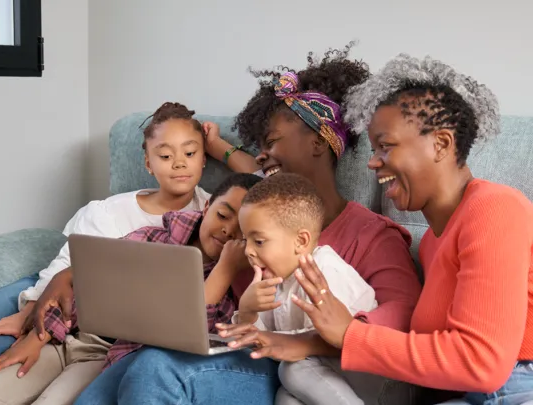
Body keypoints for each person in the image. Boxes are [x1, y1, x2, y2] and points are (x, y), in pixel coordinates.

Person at [76, 43, 422, 405]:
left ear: (319, 142)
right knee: (102, 390)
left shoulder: (369, 234)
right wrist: (69, 277)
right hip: (240, 345)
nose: (261, 154)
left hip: (306, 367)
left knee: (156, 368)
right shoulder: (246, 221)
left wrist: (310, 341)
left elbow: (402, 314)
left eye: (271, 142)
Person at [233, 54, 533, 404]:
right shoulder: (434, 241)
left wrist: (350, 333)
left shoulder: (495, 208)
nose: (373, 162)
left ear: (441, 144)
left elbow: (482, 363)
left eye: (386, 146)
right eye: (373, 149)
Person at [0, 173, 262, 405]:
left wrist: (226, 269)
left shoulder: (236, 283)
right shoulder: (154, 237)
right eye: (223, 215)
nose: (228, 231)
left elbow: (185, 333)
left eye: (242, 229)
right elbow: (86, 281)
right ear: (206, 207)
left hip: (104, 356)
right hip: (66, 334)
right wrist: (36, 338)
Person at [0, 102, 211, 361]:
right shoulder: (109, 211)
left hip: (109, 329)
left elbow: (258, 189)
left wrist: (224, 147)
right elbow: (65, 266)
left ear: (204, 158)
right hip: (48, 293)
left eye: (189, 153)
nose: (178, 164)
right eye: (165, 156)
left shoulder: (215, 215)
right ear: (148, 163)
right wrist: (29, 312)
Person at [224, 172, 378, 405]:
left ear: (301, 241)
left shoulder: (326, 272)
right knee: (285, 398)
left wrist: (273, 340)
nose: (248, 251)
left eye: (259, 241)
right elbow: (263, 342)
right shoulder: (275, 279)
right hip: (324, 381)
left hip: (373, 379)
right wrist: (247, 312)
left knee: (292, 371)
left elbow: (338, 343)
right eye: (246, 240)